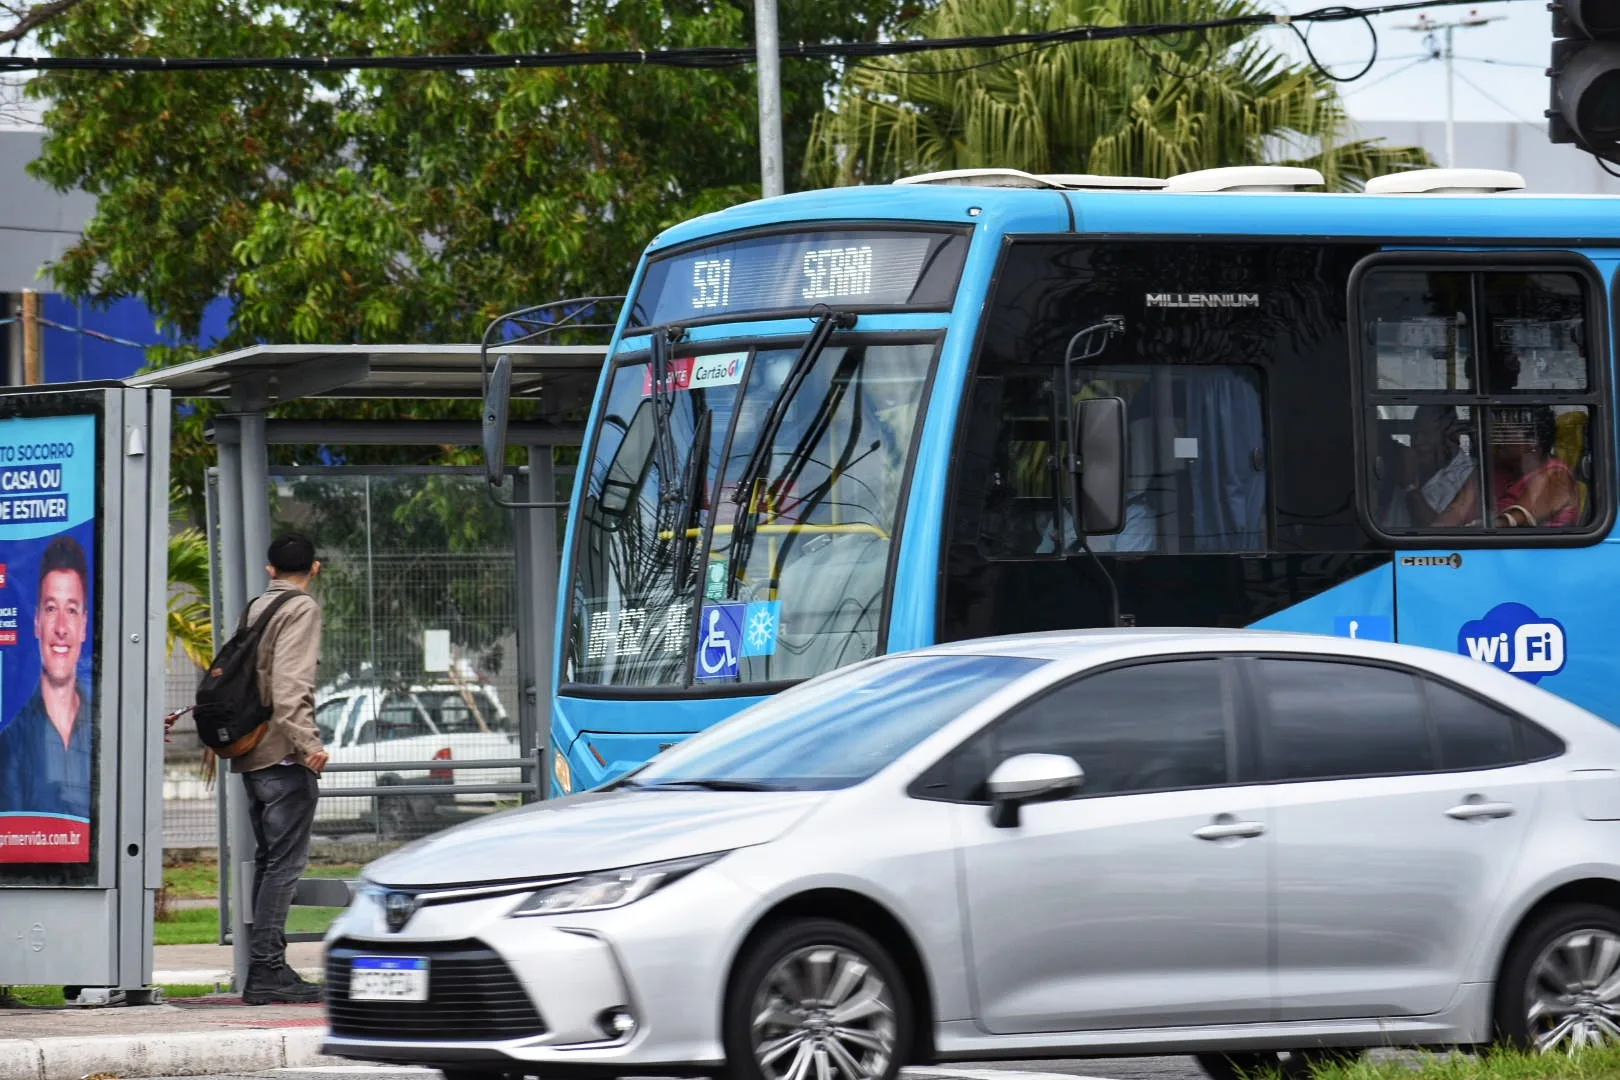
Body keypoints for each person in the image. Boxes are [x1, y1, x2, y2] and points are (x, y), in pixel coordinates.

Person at [235, 532, 329, 1005]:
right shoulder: (301, 609)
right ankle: (268, 969)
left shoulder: (257, 607)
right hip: (283, 756)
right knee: (284, 866)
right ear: (314, 568)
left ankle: (263, 968)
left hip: (253, 754)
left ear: (270, 570)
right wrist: (309, 745)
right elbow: (291, 686)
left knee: (270, 863)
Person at [0, 535, 92, 821]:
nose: (62, 628)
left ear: (84, 626)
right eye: (51, 608)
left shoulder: (105, 724)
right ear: (37, 622)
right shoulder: (11, 742)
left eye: (72, 610)